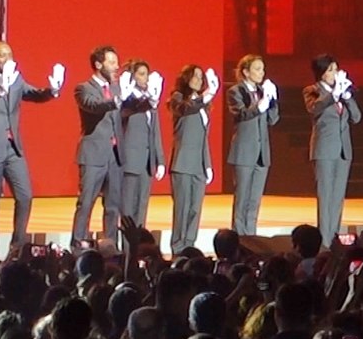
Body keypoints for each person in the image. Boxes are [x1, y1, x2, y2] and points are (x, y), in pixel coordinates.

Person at [0, 41, 64, 259]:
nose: (7, 59)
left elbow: (33, 94)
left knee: (25, 195)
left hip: (12, 147)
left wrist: (52, 91)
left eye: (10, 54)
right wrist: (0, 88)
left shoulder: (16, 77)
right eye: (2, 55)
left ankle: (17, 248)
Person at [303, 54, 362, 245]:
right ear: (321, 73)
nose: (335, 73)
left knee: (337, 198)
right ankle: (324, 241)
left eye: (336, 69)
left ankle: (334, 238)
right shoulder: (312, 91)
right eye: (330, 70)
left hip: (343, 150)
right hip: (324, 150)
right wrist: (333, 94)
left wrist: (347, 96)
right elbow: (315, 109)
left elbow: (357, 117)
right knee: (326, 196)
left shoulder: (342, 92)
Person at [72, 45, 125, 243]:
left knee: (113, 205)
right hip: (93, 154)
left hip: (115, 154)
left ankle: (110, 244)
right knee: (86, 203)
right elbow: (93, 106)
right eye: (111, 62)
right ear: (98, 64)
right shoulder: (83, 88)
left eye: (116, 62)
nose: (116, 66)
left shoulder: (117, 88)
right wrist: (116, 100)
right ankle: (78, 243)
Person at [227, 54, 280, 235]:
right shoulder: (236, 91)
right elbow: (241, 114)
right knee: (242, 198)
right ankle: (239, 236)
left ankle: (251, 235)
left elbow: (273, 119)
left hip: (261, 152)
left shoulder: (261, 92)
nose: (261, 73)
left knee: (254, 200)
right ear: (246, 72)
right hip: (244, 151)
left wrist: (272, 100)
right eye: (257, 69)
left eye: (262, 69)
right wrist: (260, 105)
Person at [169, 64, 219, 252]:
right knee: (182, 209)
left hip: (198, 163)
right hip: (182, 163)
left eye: (201, 77)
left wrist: (207, 164)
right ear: (186, 79)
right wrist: (205, 95)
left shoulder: (203, 106)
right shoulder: (178, 99)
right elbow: (185, 109)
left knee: (195, 209)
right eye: (195, 76)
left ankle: (189, 245)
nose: (199, 80)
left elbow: (203, 138)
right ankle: (178, 246)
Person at [119, 60, 165, 228]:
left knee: (142, 207)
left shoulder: (151, 100)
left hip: (147, 163)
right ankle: (127, 250)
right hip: (130, 162)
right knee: (128, 210)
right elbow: (121, 117)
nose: (145, 78)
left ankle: (139, 248)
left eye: (146, 74)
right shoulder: (127, 101)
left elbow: (155, 133)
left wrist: (160, 161)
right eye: (141, 74)